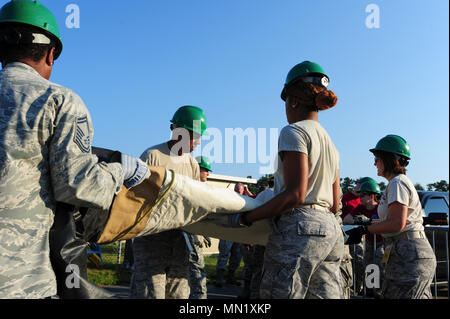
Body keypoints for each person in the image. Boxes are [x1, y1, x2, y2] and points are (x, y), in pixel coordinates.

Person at [0, 0, 149, 299]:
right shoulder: (58, 100)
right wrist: (121, 170)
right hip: (20, 281)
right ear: (51, 53)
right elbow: (78, 186)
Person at [224, 61, 343, 299]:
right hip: (331, 230)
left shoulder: (294, 132)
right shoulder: (330, 142)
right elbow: (335, 204)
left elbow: (295, 194)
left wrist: (247, 218)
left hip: (299, 228)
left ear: (293, 100)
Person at [129, 105, 207, 299]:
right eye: (193, 135)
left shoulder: (192, 164)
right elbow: (136, 197)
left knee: (178, 294)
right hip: (150, 238)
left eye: (199, 136)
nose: (196, 142)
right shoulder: (153, 156)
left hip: (180, 240)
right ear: (177, 130)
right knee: (150, 293)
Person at [346, 135, 437, 299]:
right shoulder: (397, 183)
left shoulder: (397, 183)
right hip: (406, 250)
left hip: (408, 251)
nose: (375, 163)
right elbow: (396, 220)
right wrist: (371, 224)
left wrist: (364, 229)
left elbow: (397, 223)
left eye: (377, 159)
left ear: (389, 159)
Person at [214, 182, 254, 288]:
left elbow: (255, 200)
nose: (237, 192)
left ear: (243, 191)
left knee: (237, 256)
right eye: (236, 189)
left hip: (239, 234)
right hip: (227, 232)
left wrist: (247, 192)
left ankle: (231, 277)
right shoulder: (228, 198)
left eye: (239, 190)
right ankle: (219, 278)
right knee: (224, 254)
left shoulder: (246, 201)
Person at [351, 179, 385, 297]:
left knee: (380, 261)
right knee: (369, 264)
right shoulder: (361, 208)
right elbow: (346, 218)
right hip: (371, 242)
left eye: (363, 194)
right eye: (359, 194)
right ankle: (371, 291)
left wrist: (370, 221)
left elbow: (388, 220)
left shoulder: (381, 207)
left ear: (371, 196)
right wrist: (356, 220)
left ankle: (381, 290)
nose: (360, 197)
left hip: (384, 243)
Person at [187, 156, 213, 299]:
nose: (208, 174)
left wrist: (206, 234)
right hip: (190, 235)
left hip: (195, 233)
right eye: (206, 170)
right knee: (197, 269)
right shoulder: (192, 187)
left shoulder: (200, 187)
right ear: (197, 169)